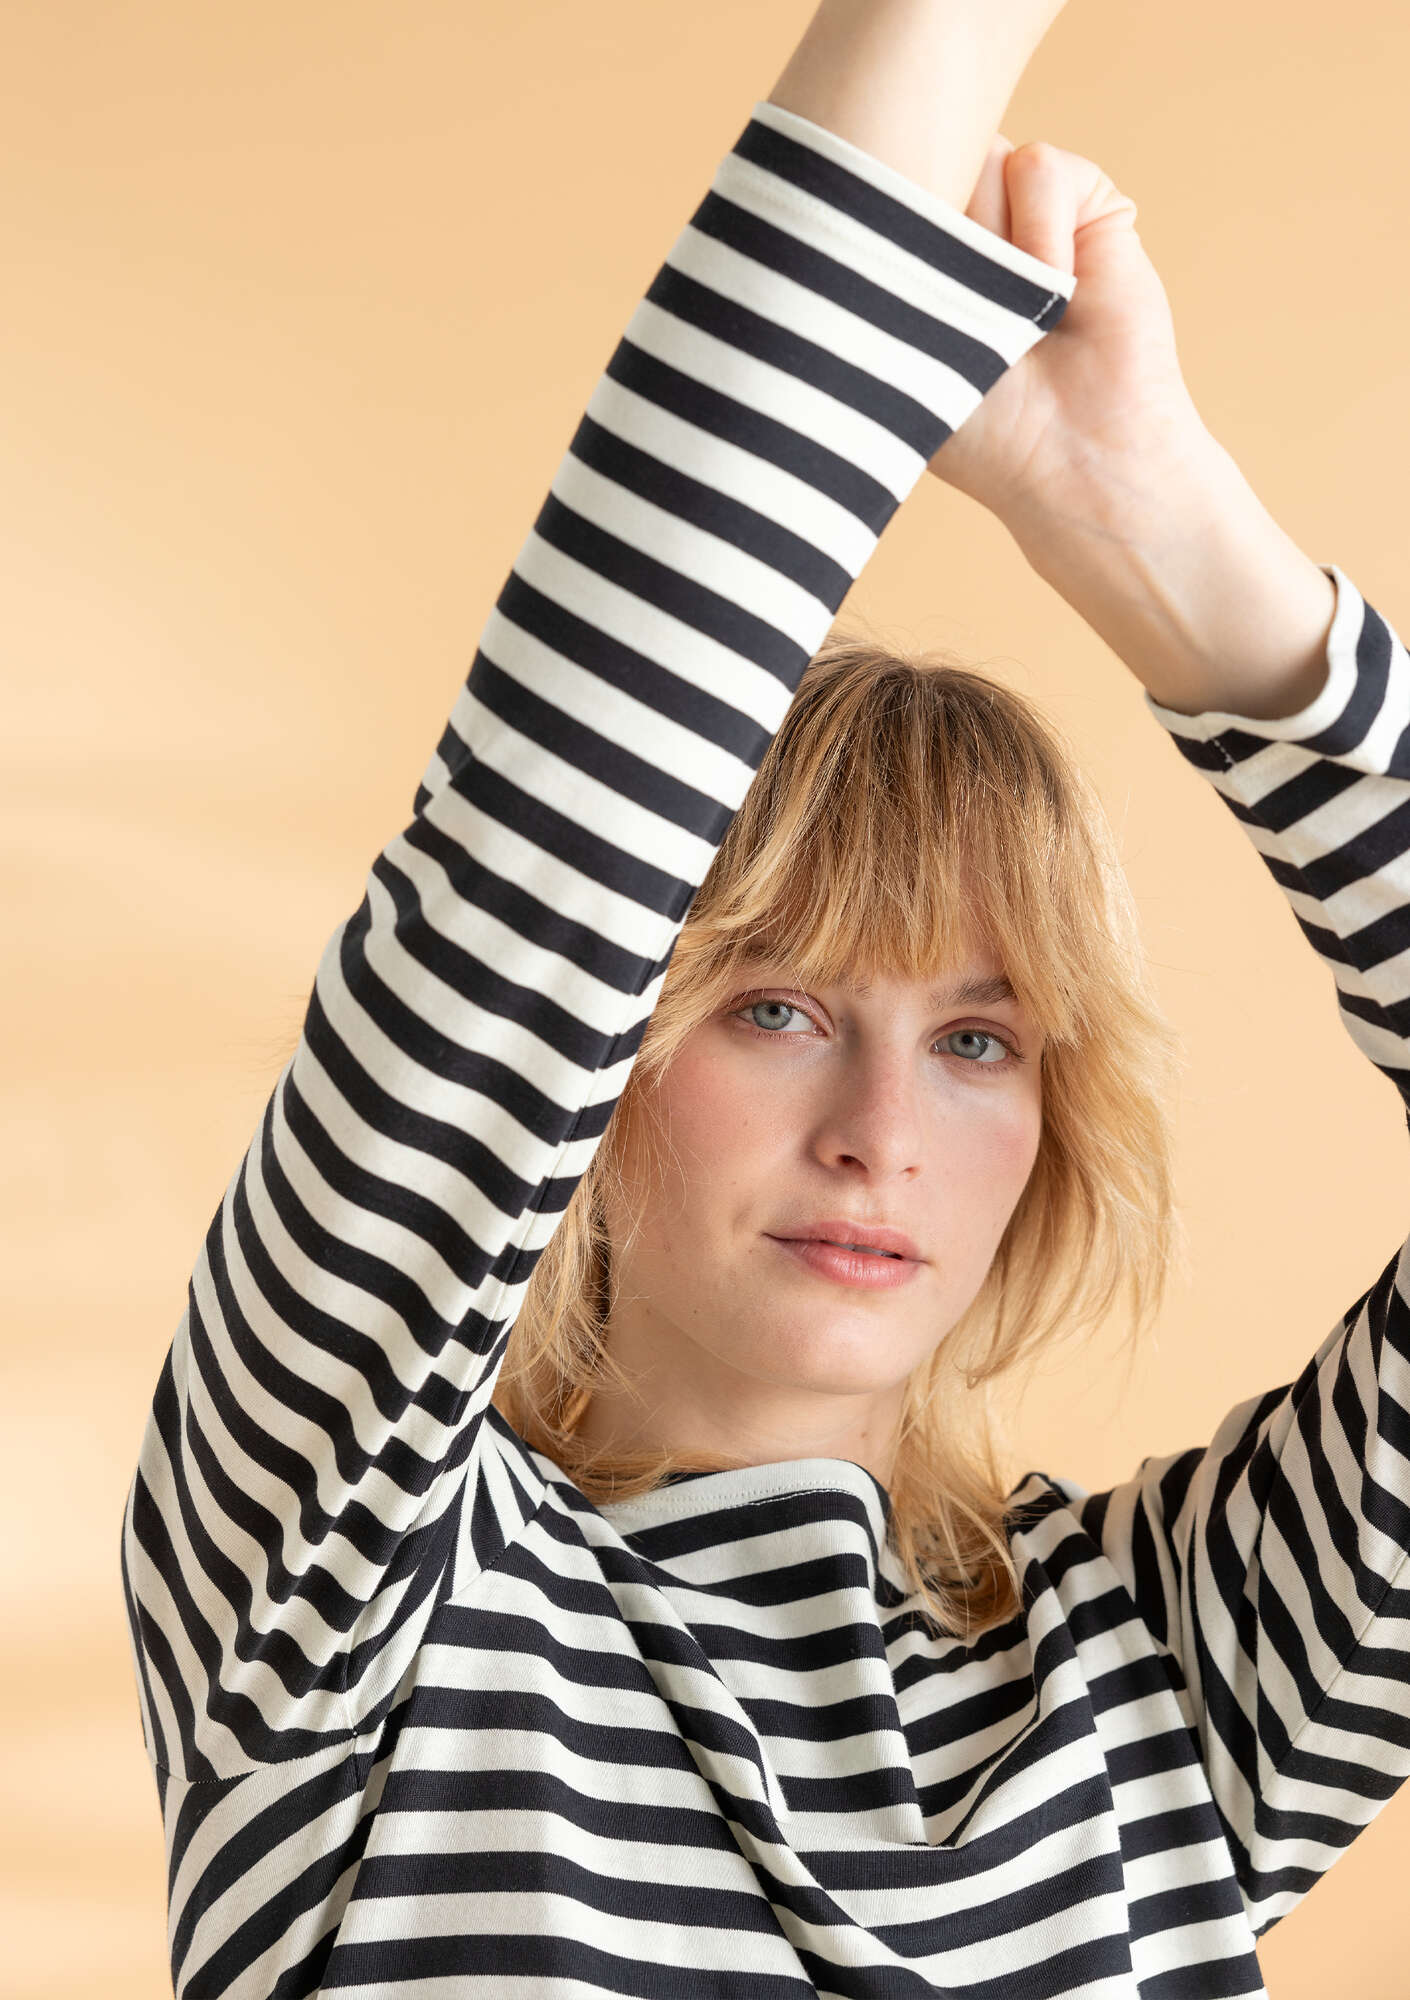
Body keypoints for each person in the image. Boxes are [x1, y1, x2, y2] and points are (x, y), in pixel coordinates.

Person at [119, 2, 1410, 1995]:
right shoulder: (338, 1585)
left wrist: (1159, 531)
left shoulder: (1180, 1681)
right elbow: (540, 863)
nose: (881, 1134)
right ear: (605, 1058)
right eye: (777, 1006)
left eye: (975, 1039)